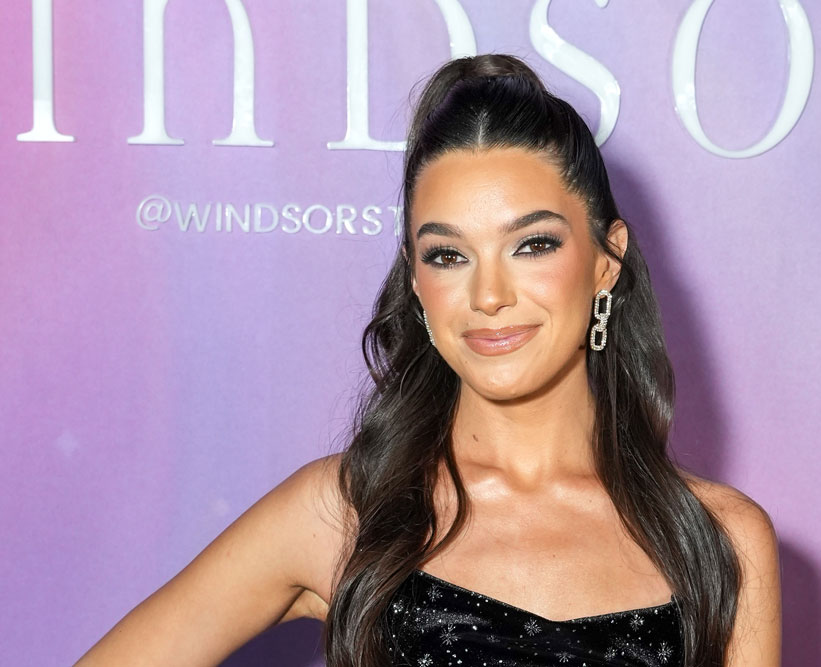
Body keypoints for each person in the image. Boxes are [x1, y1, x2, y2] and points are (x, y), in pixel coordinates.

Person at [76, 54, 781, 667]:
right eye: (448, 255)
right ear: (418, 283)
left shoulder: (720, 540)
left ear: (607, 260)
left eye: (532, 244)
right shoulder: (349, 510)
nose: (489, 294)